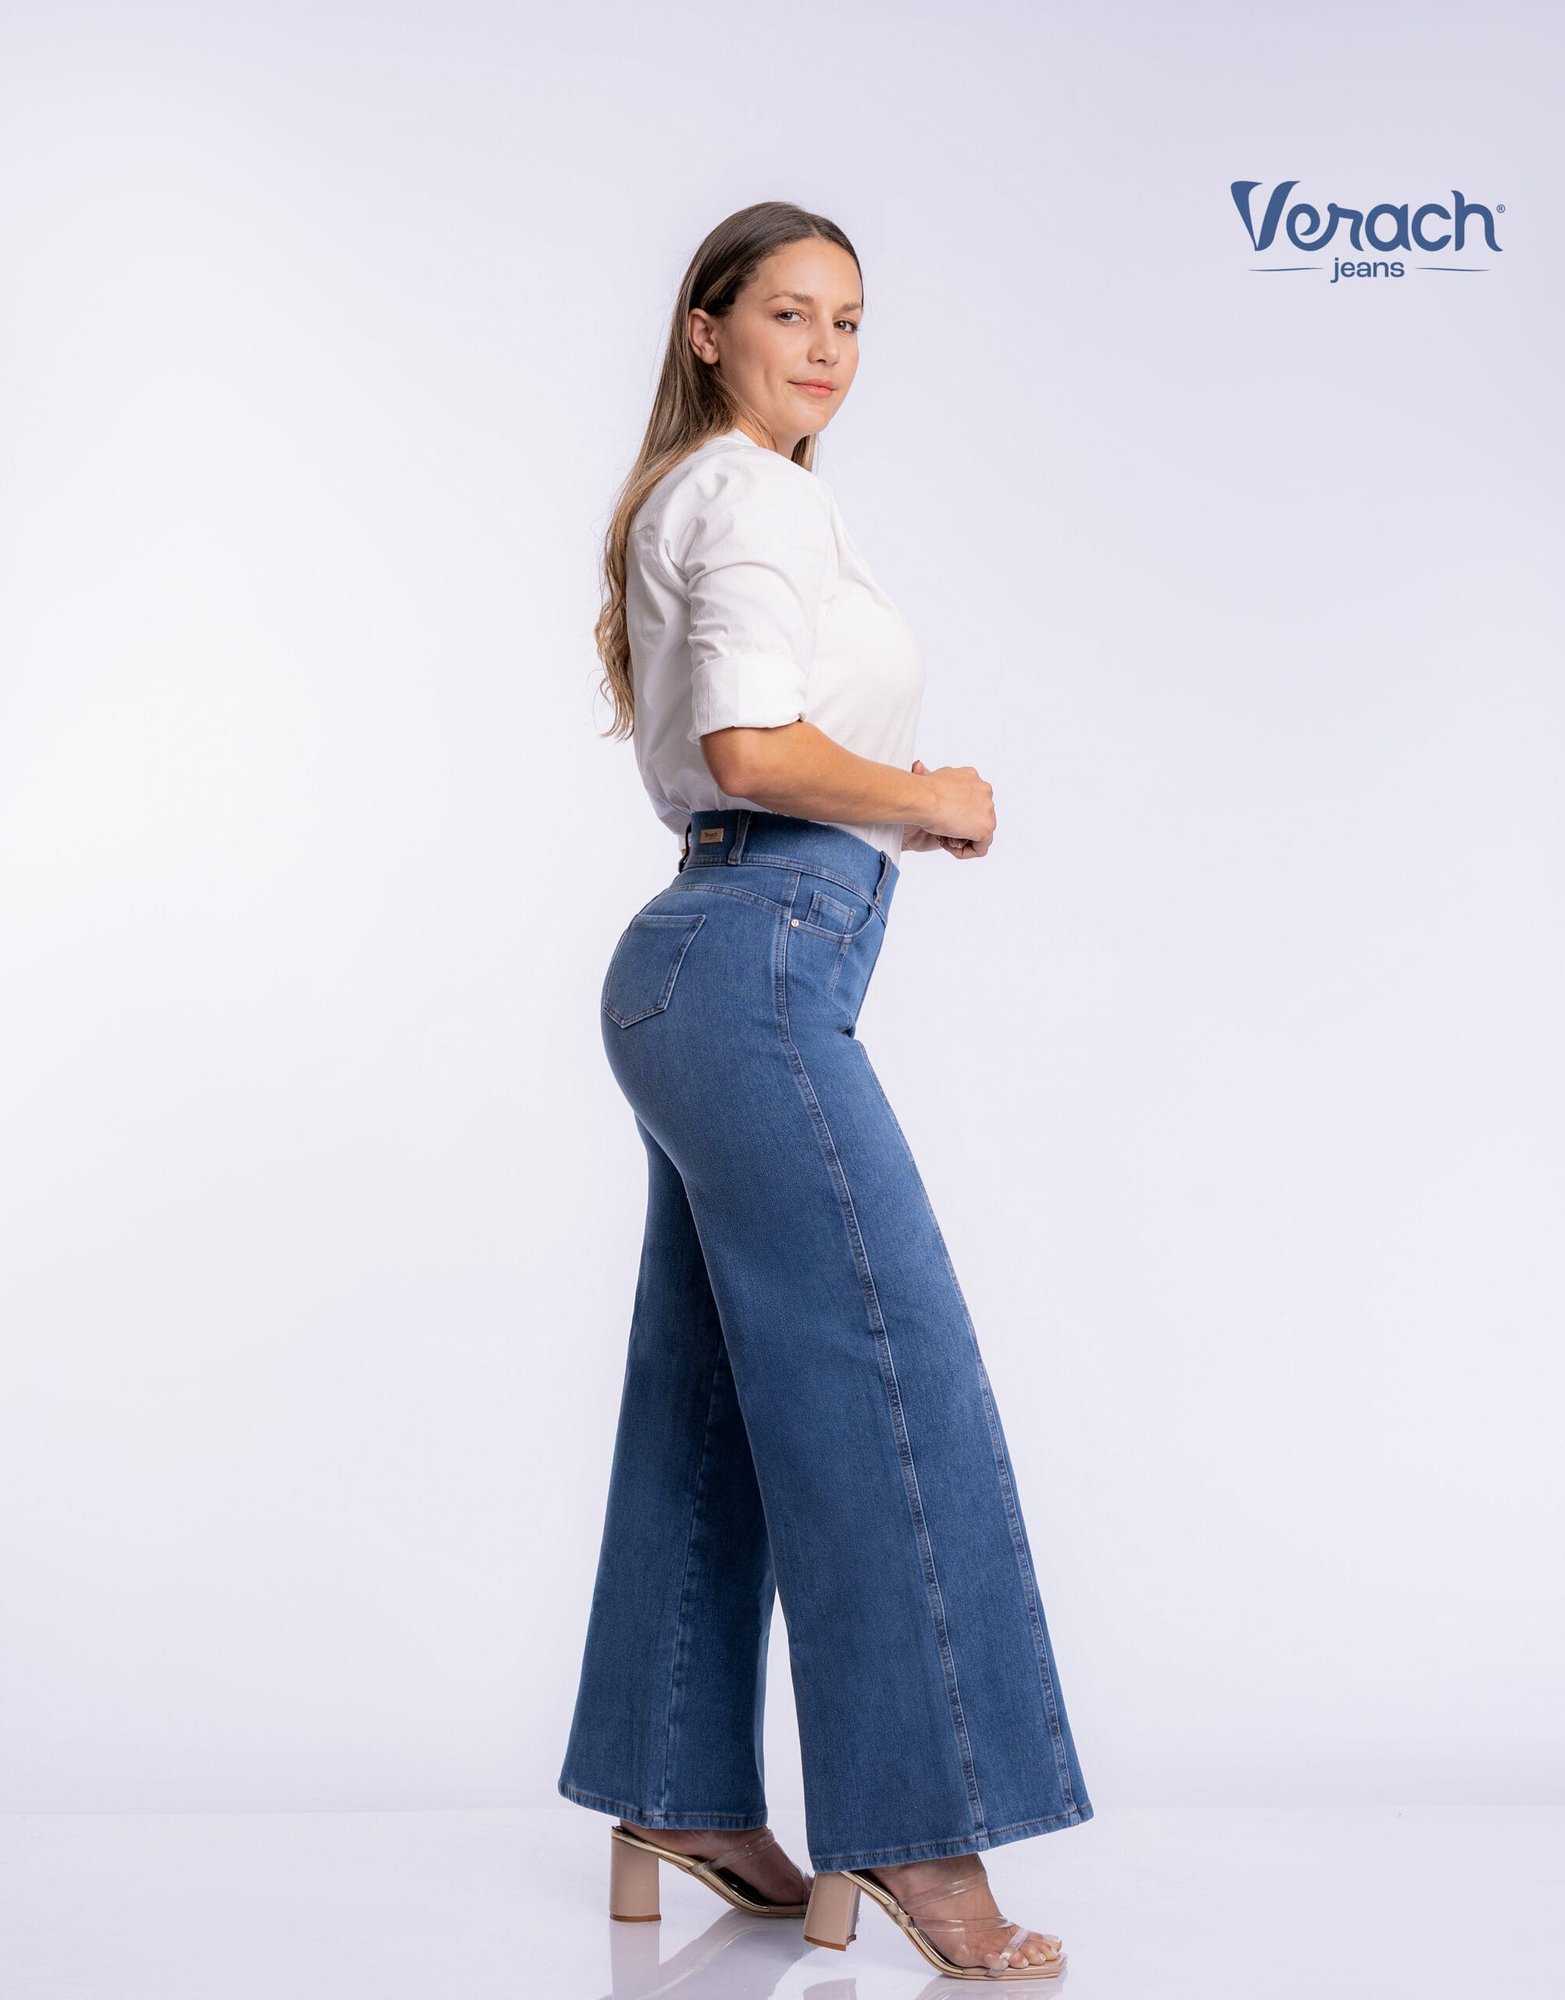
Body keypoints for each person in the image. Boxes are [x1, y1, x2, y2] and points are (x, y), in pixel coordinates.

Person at [557, 199, 1093, 1980]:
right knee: (889, 1374)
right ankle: (919, 1833)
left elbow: (747, 748)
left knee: (714, 1394)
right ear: (707, 328)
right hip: (756, 961)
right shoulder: (754, 496)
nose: (827, 349)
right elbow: (749, 747)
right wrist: (930, 796)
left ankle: (673, 1787)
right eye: (789, 313)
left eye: (849, 321)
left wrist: (881, 813)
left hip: (719, 965)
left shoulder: (730, 494)